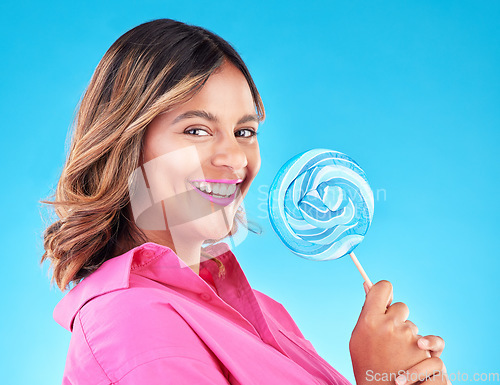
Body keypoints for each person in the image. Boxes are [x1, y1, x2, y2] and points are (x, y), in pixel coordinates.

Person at [41, 19, 450, 385]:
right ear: (126, 145)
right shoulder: (130, 322)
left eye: (244, 132)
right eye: (197, 130)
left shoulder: (266, 313)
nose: (234, 158)